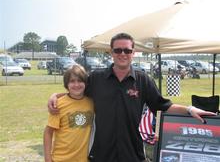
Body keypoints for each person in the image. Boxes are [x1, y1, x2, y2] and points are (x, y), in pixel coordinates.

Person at [48, 33, 216, 162]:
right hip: (101, 155)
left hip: (132, 155)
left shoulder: (143, 80)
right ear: (111, 52)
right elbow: (77, 92)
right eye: (118, 50)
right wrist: (55, 96)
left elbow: (163, 105)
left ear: (133, 53)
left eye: (127, 50)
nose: (123, 53)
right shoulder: (97, 79)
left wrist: (190, 109)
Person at [44, 65, 94, 162]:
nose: (76, 85)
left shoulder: (91, 103)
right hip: (60, 159)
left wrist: (55, 95)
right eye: (72, 81)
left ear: (86, 83)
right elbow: (48, 132)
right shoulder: (58, 104)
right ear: (66, 84)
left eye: (80, 81)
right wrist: (47, 158)